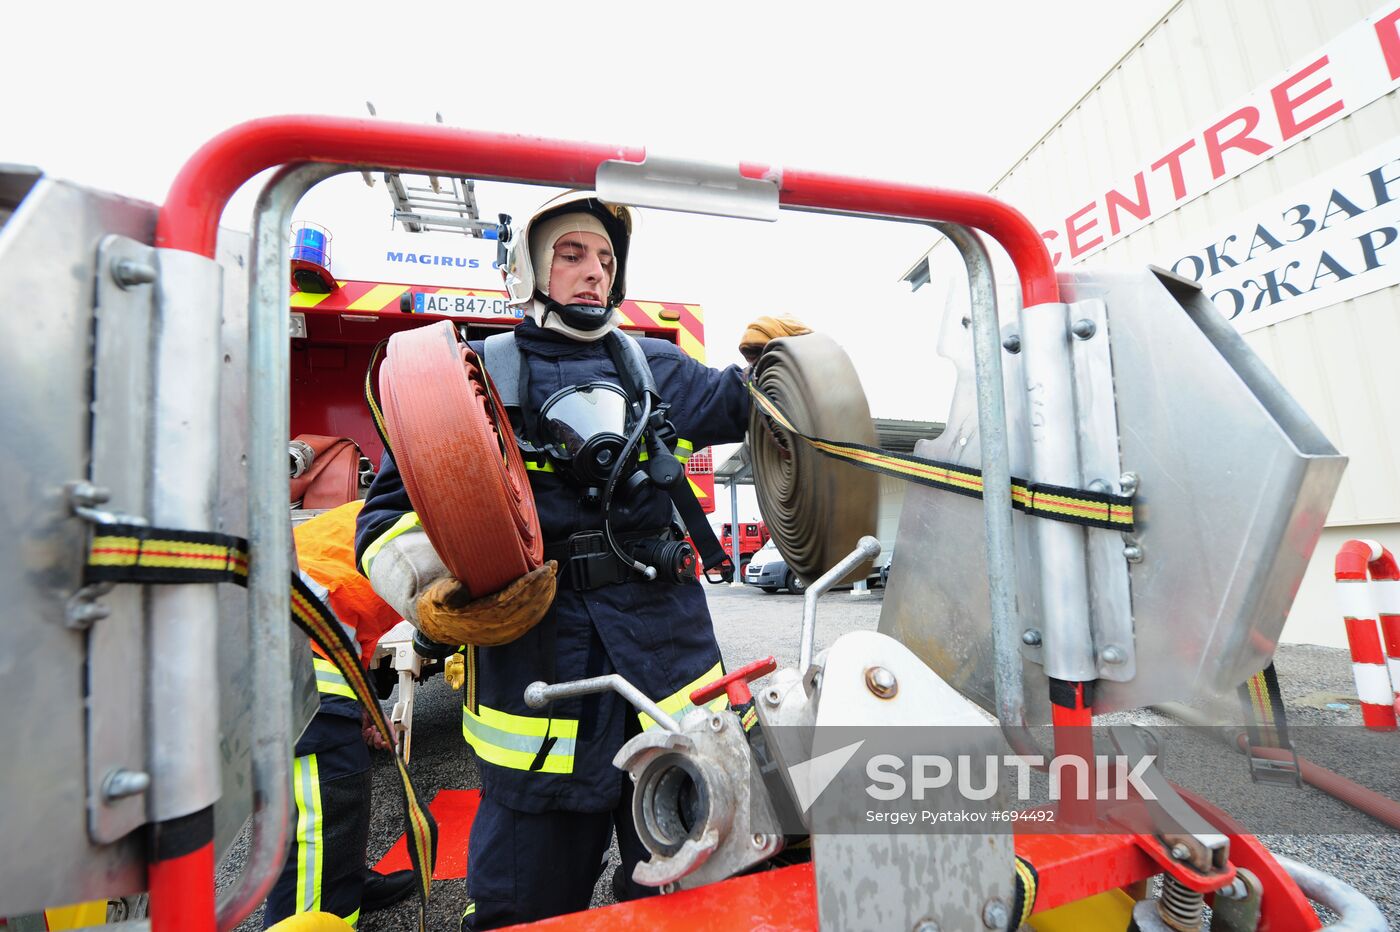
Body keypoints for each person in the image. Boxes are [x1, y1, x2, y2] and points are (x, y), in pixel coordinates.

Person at [354, 191, 808, 930]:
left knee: (689, 895)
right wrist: (433, 592)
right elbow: (383, 520)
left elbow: (754, 406)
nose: (593, 273)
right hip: (538, 693)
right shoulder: (471, 378)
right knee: (520, 907)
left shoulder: (656, 366)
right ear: (527, 271)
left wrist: (784, 366)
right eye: (571, 255)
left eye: (604, 260)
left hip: (670, 679)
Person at [263, 501, 418, 929]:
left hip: (301, 632)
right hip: (294, 638)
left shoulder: (380, 515)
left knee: (334, 782)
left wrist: (367, 710)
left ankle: (341, 883)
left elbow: (350, 622)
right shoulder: (436, 516)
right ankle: (313, 916)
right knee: (325, 802)